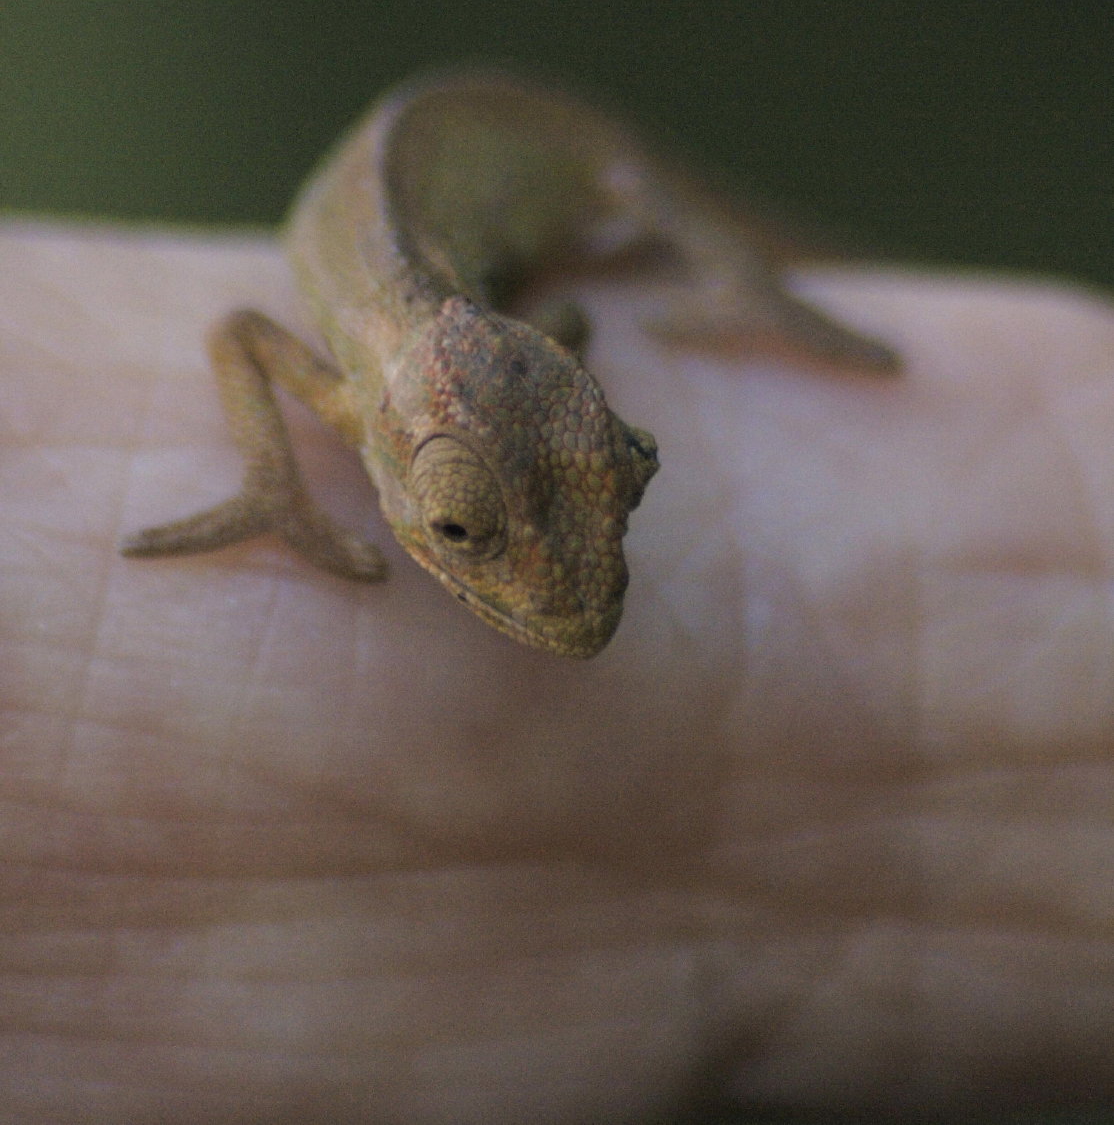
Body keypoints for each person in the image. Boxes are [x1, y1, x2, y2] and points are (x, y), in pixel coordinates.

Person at [2, 223, 1111, 1122]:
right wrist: (274, 490)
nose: (577, 597)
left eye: (622, 484)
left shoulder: (470, 375)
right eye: (459, 523)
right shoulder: (359, 392)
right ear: (386, 438)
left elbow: (552, 349)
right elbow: (244, 330)